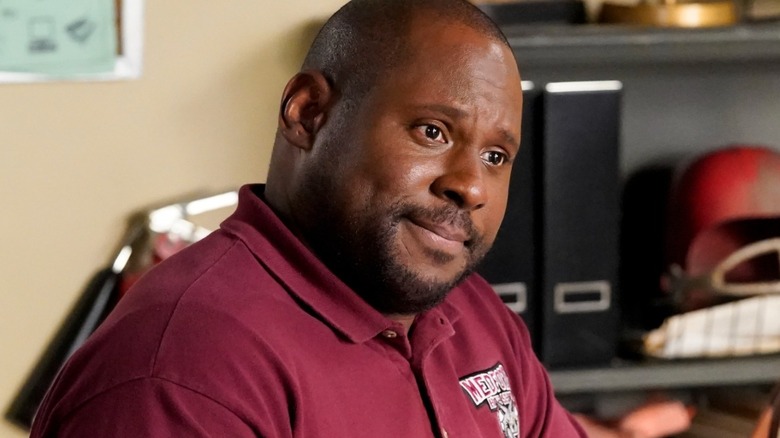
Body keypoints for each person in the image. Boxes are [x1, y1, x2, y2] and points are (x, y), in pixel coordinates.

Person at [30, 1, 692, 436]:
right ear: (307, 114)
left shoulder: (474, 318)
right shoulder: (183, 375)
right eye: (433, 131)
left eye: (496, 155)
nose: (470, 186)